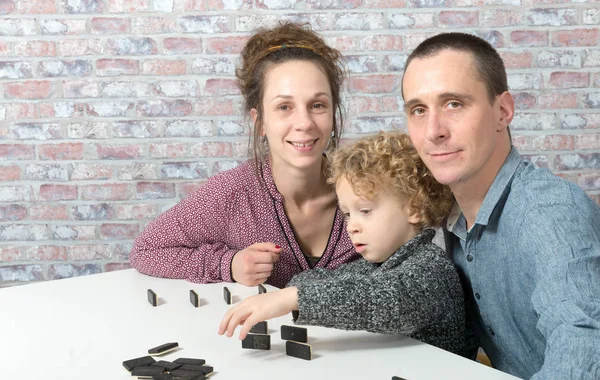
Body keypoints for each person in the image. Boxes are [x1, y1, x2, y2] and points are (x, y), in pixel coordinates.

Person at [402, 32, 600, 379]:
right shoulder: (452, 220)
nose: (433, 131)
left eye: (454, 104)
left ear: (503, 111)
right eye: (418, 110)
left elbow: (583, 347)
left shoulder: (548, 213)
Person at [129, 22, 360, 288]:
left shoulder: (370, 188)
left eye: (317, 105)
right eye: (284, 107)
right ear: (259, 120)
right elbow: (147, 251)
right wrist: (228, 264)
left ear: (333, 113)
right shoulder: (231, 193)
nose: (304, 123)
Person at [218, 132, 467, 356]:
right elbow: (313, 281)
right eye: (348, 214)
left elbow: (381, 300)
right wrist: (289, 293)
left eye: (366, 210)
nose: (351, 226)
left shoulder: (432, 270)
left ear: (413, 208)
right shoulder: (377, 265)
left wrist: (294, 298)